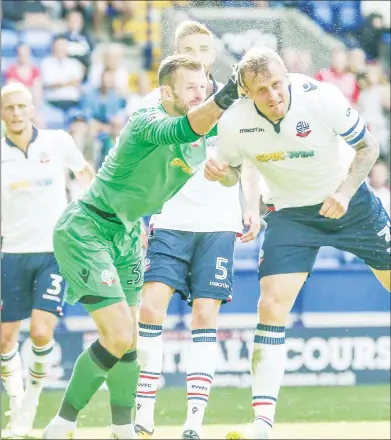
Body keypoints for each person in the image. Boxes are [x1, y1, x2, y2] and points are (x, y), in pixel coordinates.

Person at [41, 53, 243, 440]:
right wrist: (229, 94)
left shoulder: (202, 133)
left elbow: (231, 173)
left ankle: (122, 428)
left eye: (204, 88)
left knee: (130, 341)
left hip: (129, 233)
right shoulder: (147, 119)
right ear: (166, 91)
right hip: (89, 226)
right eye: (190, 89)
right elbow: (183, 130)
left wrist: (227, 173)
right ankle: (61, 424)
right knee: (117, 336)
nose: (200, 95)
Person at [204, 47, 391, 439]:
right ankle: (262, 425)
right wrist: (220, 174)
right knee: (270, 305)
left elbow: (368, 147)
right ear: (247, 93)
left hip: (350, 203)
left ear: (287, 77)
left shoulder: (321, 98)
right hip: (289, 212)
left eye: (277, 84)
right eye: (262, 90)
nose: (273, 95)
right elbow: (237, 171)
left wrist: (344, 191)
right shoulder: (234, 121)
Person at [134, 21, 260, 440]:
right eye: (191, 49)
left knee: (205, 315)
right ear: (177, 53)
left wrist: (242, 197)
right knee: (150, 308)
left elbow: (244, 162)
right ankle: (144, 410)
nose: (200, 57)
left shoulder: (234, 102)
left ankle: (192, 424)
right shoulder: (155, 102)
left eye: (206, 49)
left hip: (217, 225)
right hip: (170, 221)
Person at [1, 82, 94, 438]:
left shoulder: (57, 142)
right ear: (2, 113)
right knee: (5, 339)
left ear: (32, 108)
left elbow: (83, 173)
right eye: (9, 108)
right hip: (11, 254)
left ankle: (31, 403)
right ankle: (16, 402)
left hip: (53, 252)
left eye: (22, 106)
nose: (16, 113)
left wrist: (94, 209)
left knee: (41, 332)